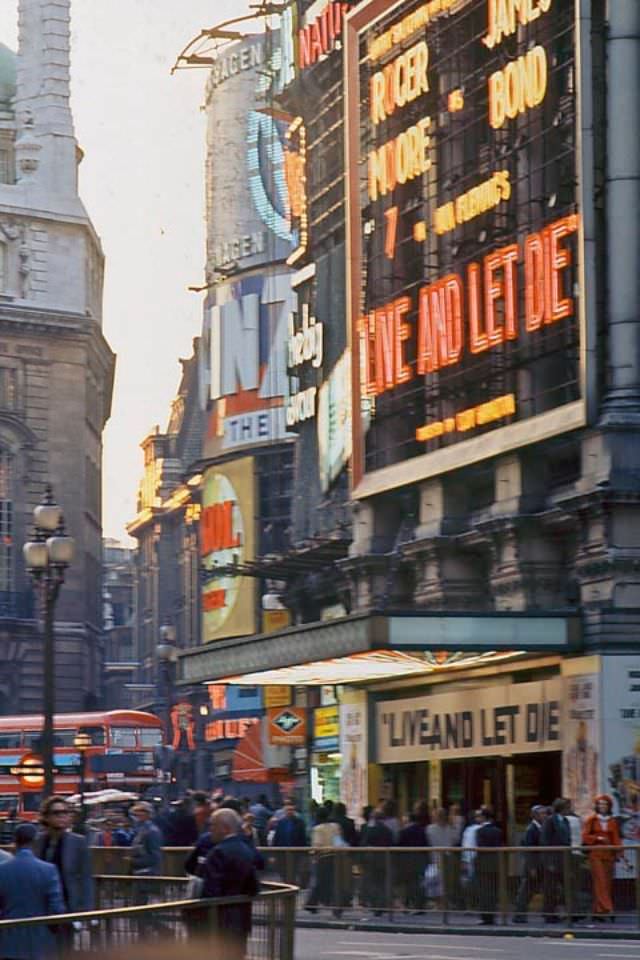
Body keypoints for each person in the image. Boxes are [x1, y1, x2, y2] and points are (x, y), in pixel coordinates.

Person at [0, 823, 65, 960]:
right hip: (40, 941)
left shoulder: (2, 870)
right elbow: (56, 908)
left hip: (8, 942)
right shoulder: (49, 870)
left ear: (15, 842)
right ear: (35, 841)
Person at [200, 809, 259, 960]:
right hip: (242, 918)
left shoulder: (217, 852)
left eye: (213, 826)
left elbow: (210, 892)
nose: (210, 830)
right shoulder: (246, 849)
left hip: (220, 921)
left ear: (225, 828)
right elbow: (253, 886)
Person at [34, 797, 94, 913]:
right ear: (46, 817)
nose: (62, 816)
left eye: (65, 812)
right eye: (56, 813)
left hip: (68, 903)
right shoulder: (38, 841)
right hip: (41, 904)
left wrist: (87, 909)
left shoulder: (79, 842)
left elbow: (86, 877)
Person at [582, 794, 622, 921]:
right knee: (600, 882)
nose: (602, 807)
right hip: (596, 855)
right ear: (597, 806)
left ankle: (598, 911)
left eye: (605, 804)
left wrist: (619, 852)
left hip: (609, 854)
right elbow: (585, 837)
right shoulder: (591, 820)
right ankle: (608, 909)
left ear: (609, 806)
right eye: (600, 804)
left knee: (607, 883)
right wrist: (598, 838)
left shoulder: (612, 821)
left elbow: (616, 838)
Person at [513, 804, 547, 923]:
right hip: (532, 865)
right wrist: (532, 867)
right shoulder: (531, 829)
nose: (544, 816)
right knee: (526, 890)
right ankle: (519, 915)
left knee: (532, 890)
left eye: (545, 813)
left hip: (540, 864)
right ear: (535, 815)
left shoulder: (541, 827)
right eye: (541, 814)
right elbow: (529, 849)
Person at [540, 797, 571, 923]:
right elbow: (545, 841)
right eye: (567, 807)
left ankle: (561, 911)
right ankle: (548, 914)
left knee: (565, 886)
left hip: (563, 858)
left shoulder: (565, 821)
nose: (569, 809)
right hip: (552, 858)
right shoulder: (550, 821)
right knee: (550, 888)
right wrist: (548, 862)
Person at [305, 807, 341, 915]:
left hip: (322, 858)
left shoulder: (318, 829)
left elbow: (317, 845)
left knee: (318, 881)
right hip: (335, 857)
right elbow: (339, 842)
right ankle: (335, 906)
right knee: (332, 882)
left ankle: (311, 904)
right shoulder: (336, 826)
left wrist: (313, 857)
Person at [397, 801, 430, 912]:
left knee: (409, 884)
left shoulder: (404, 831)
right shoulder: (422, 830)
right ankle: (419, 905)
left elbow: (399, 846)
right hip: (420, 860)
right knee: (418, 883)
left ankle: (408, 904)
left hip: (407, 861)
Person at [359, 808, 393, 916]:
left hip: (371, 859)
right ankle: (382, 905)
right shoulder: (387, 829)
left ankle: (376, 905)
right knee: (381, 883)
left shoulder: (367, 829)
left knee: (373, 883)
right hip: (383, 859)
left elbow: (363, 842)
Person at [426, 808, 459, 910]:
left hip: (439, 856)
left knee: (440, 880)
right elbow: (455, 840)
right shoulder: (450, 828)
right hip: (445, 856)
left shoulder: (429, 829)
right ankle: (442, 902)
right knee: (443, 880)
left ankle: (441, 902)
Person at [475, 806, 502, 925]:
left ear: (484, 817)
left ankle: (485, 917)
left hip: (483, 863)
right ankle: (492, 916)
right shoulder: (497, 831)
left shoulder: (480, 831)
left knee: (484, 891)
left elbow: (479, 848)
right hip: (494, 863)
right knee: (492, 890)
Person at [271, 799, 307, 886]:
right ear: (285, 811)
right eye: (288, 810)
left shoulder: (300, 823)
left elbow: (303, 838)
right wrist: (273, 854)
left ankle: (291, 887)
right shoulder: (281, 823)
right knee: (283, 871)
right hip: (282, 852)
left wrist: (304, 854)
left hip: (295, 852)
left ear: (294, 811)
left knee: (293, 872)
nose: (290, 812)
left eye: (291, 810)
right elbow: (277, 838)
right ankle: (286, 885)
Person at [129, 801, 163, 877]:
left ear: (148, 813)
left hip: (148, 874)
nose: (136, 814)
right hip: (137, 872)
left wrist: (133, 861)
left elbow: (154, 858)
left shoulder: (152, 831)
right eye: (135, 812)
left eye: (140, 811)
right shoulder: (139, 830)